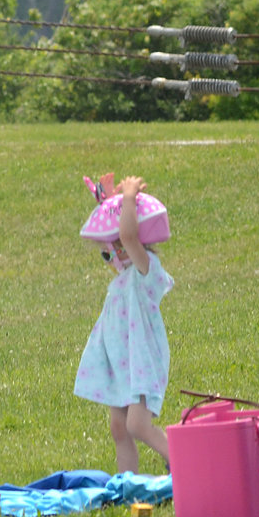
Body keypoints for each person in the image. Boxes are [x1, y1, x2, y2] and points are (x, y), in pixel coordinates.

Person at [73, 175, 173, 474]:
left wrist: (128, 199)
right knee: (119, 428)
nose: (114, 253)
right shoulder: (122, 279)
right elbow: (114, 237)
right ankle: (127, 483)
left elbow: (129, 237)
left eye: (118, 246)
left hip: (141, 360)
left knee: (137, 424)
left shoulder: (146, 271)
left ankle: (182, 460)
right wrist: (110, 205)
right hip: (121, 363)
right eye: (110, 249)